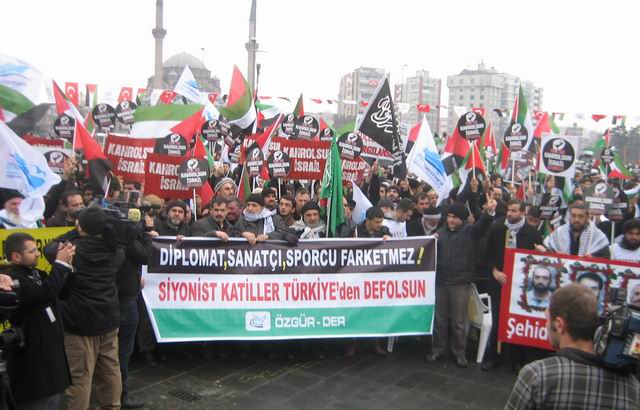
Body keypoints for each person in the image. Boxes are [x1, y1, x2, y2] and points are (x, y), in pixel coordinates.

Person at [505, 283, 640, 409]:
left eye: (547, 319)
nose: (546, 325)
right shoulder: (632, 387)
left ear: (559, 324)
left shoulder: (537, 375)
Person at [44, 207, 125, 410]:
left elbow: (49, 249)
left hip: (79, 322)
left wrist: (76, 230)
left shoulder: (71, 250)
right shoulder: (115, 251)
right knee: (110, 370)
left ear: (80, 226)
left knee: (80, 376)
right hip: (108, 317)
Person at [2, 233, 75, 409]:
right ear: (16, 256)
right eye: (32, 251)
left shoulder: (37, 274)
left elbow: (62, 292)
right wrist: (60, 265)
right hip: (33, 364)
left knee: (52, 401)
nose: (37, 254)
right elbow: (45, 293)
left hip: (51, 361)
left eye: (37, 249)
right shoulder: (14, 280)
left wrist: (69, 266)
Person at [427, 196, 496, 368]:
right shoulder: (440, 233)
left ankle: (459, 353)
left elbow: (483, 225)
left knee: (459, 321)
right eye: (449, 216)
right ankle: (437, 349)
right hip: (441, 282)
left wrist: (489, 212)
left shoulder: (470, 231)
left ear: (462, 219)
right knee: (440, 320)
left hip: (460, 283)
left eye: (454, 217)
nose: (450, 220)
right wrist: (430, 240)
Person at [116, 216, 152, 409]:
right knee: (121, 352)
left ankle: (115, 396)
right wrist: (146, 232)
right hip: (123, 301)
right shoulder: (125, 244)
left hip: (121, 297)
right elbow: (145, 255)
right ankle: (119, 397)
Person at [542, 202, 610, 258]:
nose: (576, 219)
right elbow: (547, 250)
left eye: (580, 216)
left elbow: (606, 260)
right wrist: (554, 254)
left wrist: (592, 259)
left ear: (587, 218)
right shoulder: (559, 232)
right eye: (573, 216)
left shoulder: (597, 236)